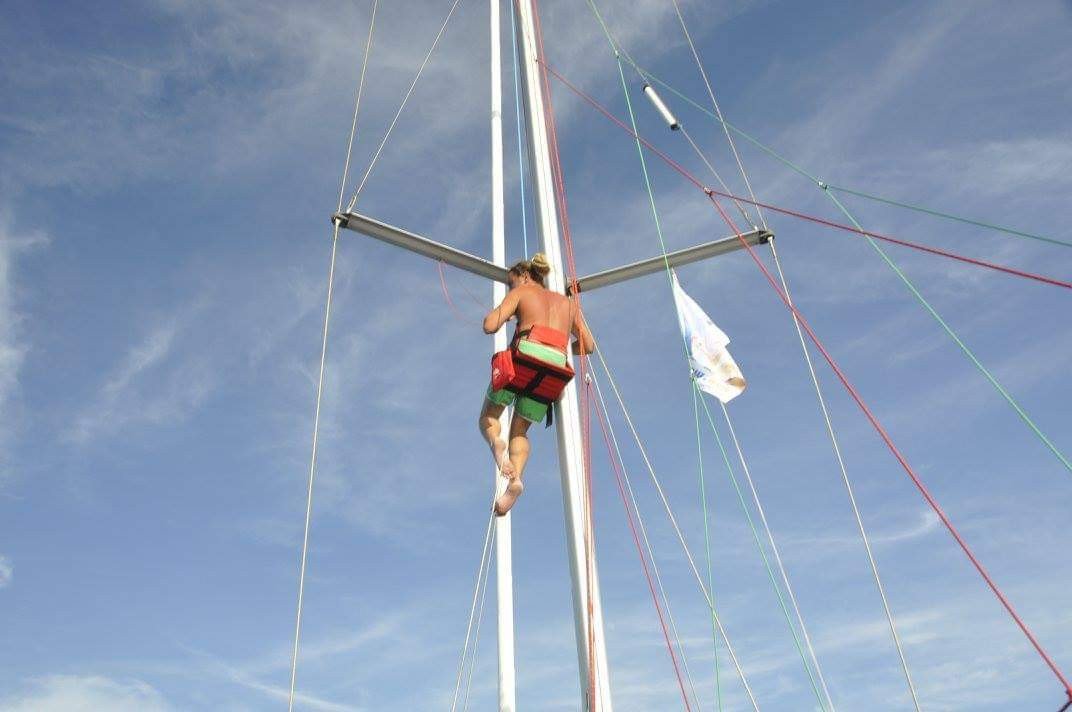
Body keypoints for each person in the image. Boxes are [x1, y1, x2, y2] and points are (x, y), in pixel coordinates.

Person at [479, 253, 595, 516]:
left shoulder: (522, 292)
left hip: (525, 356)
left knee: (488, 416)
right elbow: (588, 346)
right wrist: (558, 347)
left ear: (524, 276)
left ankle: (496, 443)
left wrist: (506, 314)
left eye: (511, 282)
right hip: (555, 366)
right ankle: (515, 478)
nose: (512, 287)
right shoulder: (569, 305)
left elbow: (489, 325)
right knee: (520, 431)